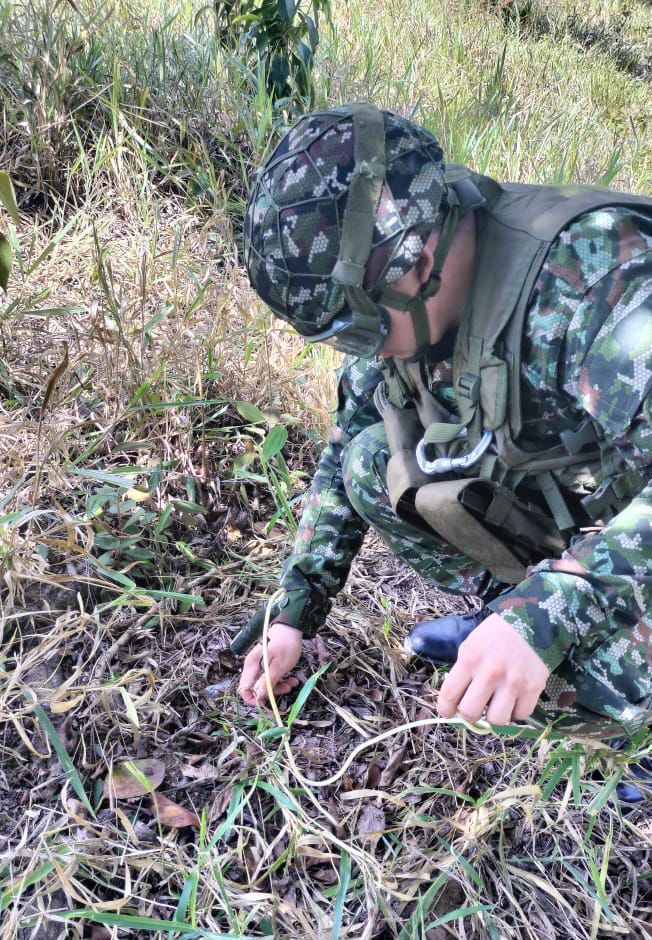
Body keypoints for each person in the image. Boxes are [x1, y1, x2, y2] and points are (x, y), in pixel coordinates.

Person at [235, 103, 652, 799]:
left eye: (353, 327)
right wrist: (295, 608)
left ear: (416, 258)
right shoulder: (406, 306)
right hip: (594, 513)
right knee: (378, 462)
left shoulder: (597, 279)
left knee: (612, 679)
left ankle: (624, 715)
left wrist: (550, 611)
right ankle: (507, 622)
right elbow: (346, 450)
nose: (353, 349)